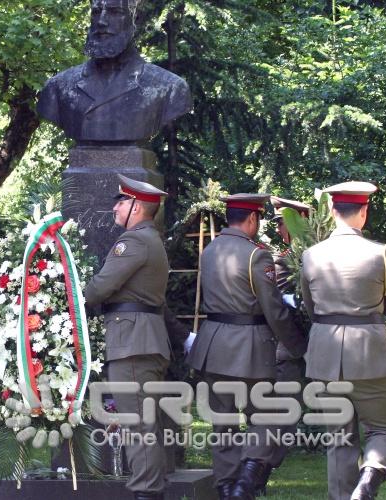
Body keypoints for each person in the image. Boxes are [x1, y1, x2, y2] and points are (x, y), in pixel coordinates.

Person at [185, 193, 307, 500]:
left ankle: (227, 488)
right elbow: (274, 310)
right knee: (267, 416)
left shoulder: (210, 250)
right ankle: (245, 482)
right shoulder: (257, 256)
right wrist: (297, 345)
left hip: (213, 346)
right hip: (249, 348)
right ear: (252, 218)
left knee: (223, 423)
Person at [300, 182, 386, 500]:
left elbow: (310, 307)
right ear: (364, 212)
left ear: (332, 211)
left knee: (339, 439)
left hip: (326, 352)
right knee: (384, 430)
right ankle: (369, 479)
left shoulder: (310, 255)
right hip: (369, 352)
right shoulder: (380, 253)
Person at [83, 175, 172, 500]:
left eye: (121, 201)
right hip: (141, 340)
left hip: (133, 343)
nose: (115, 207)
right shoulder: (149, 239)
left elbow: (99, 288)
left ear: (136, 206)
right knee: (145, 425)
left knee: (138, 428)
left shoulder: (133, 242)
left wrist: (68, 294)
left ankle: (146, 492)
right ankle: (152, 491)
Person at [37, 0, 191, 143]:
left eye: (114, 12)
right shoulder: (58, 87)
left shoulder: (170, 88)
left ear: (135, 18)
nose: (102, 21)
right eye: (96, 12)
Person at [259, 196, 312, 493]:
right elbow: (280, 309)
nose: (280, 230)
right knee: (281, 417)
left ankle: (256, 473)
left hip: (297, 351)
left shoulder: (307, 257)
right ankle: (255, 474)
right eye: (279, 224)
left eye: (284, 224)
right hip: (286, 351)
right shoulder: (282, 261)